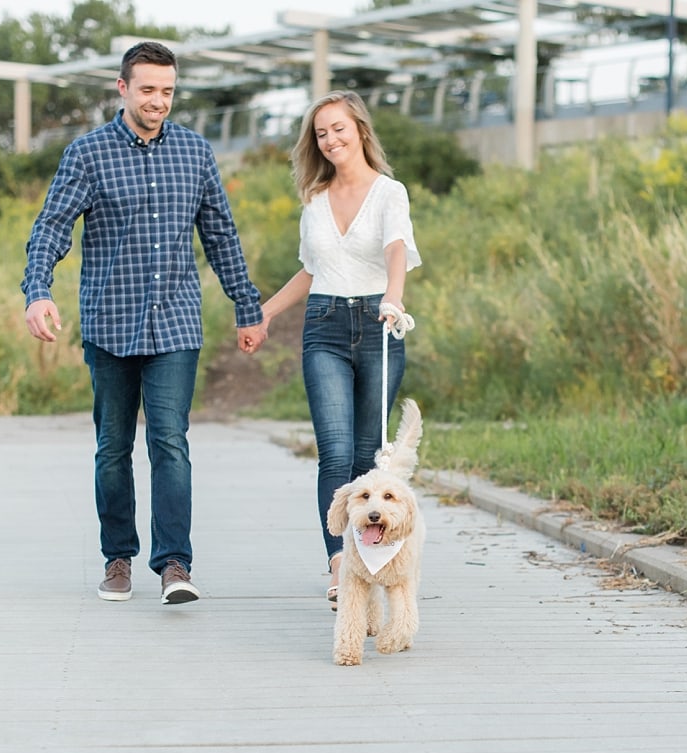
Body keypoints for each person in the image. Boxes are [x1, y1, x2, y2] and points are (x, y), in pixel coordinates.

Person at [22, 40, 268, 605]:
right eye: (148, 90)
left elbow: (221, 236)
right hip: (109, 323)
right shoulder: (87, 155)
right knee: (112, 445)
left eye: (167, 91)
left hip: (176, 323)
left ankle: (175, 564)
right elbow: (51, 228)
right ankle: (117, 558)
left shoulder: (195, 153)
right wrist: (38, 293)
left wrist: (246, 307)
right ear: (123, 89)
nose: (159, 101)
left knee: (169, 441)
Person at [252, 91, 422, 610]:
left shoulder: (390, 192)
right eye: (321, 133)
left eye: (338, 128)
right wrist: (265, 313)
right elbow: (310, 270)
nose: (330, 139)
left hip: (377, 321)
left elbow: (396, 247)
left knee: (367, 452)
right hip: (323, 324)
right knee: (334, 451)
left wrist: (394, 296)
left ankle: (379, 561)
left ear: (361, 131)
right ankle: (340, 564)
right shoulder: (314, 200)